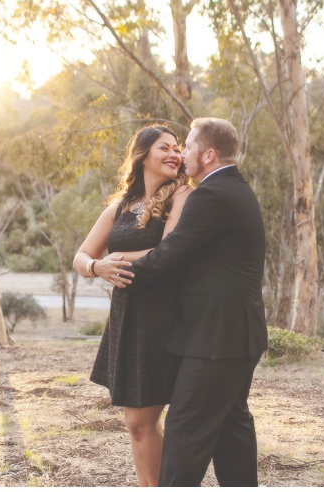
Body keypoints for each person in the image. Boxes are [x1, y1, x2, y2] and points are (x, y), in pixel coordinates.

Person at [121, 117, 268, 487]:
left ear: (208, 154)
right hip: (237, 335)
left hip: (216, 339)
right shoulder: (235, 188)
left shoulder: (211, 194)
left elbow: (170, 254)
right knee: (232, 428)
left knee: (185, 427)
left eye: (186, 146)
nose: (182, 154)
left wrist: (119, 275)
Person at [73, 124, 193, 487]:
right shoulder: (120, 205)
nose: (175, 153)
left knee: (145, 422)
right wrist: (97, 266)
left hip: (166, 316)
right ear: (143, 155)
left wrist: (117, 257)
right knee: (138, 424)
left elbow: (170, 252)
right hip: (128, 319)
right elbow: (80, 256)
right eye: (165, 147)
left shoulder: (182, 195)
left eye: (178, 148)